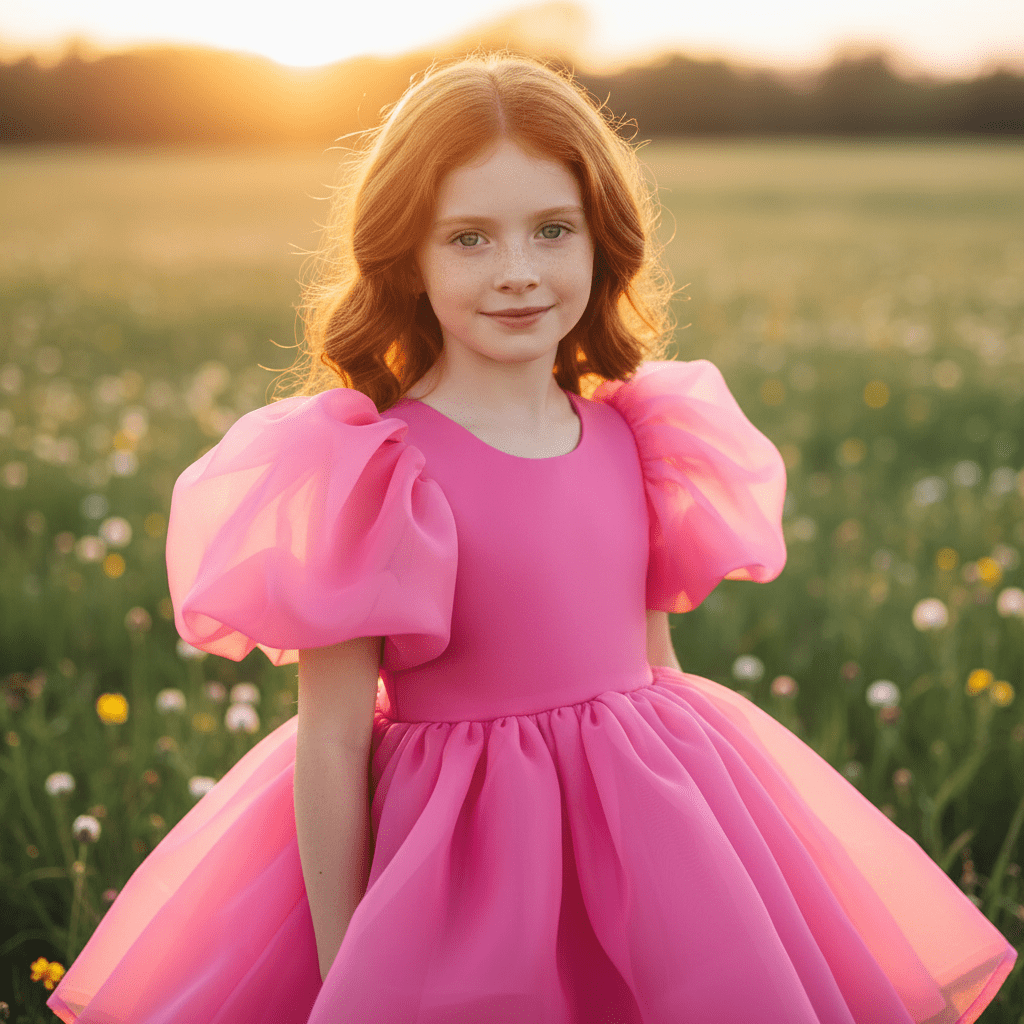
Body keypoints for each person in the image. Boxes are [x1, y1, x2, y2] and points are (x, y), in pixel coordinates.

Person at [49, 52, 1014, 1024]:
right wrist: (349, 962)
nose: (516, 272)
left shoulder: (641, 432)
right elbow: (334, 740)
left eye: (552, 230)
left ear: (602, 242)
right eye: (467, 238)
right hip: (459, 855)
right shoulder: (377, 471)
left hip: (651, 834)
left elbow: (653, 666)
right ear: (407, 259)